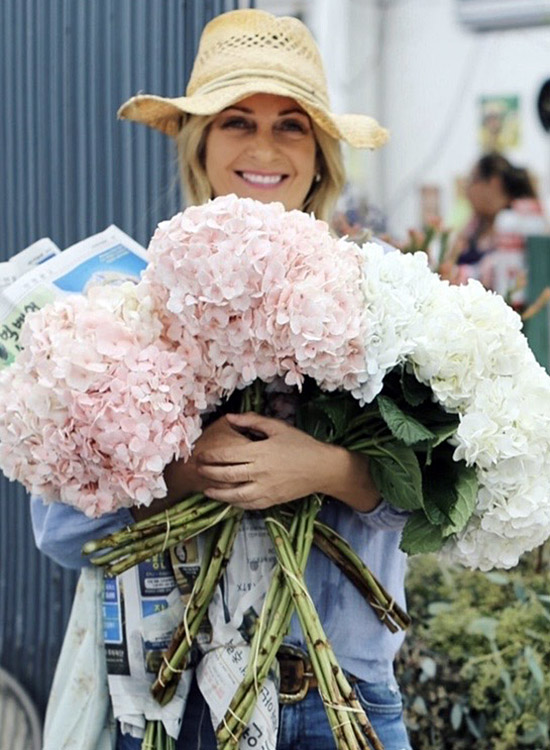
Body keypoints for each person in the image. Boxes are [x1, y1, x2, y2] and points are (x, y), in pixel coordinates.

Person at [32, 9, 412, 750]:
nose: (264, 147)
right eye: (237, 120)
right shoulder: (125, 305)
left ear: (320, 155)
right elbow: (62, 530)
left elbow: (438, 507)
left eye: (292, 125)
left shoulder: (382, 299)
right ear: (199, 143)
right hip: (182, 707)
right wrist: (189, 468)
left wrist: (327, 468)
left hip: (345, 703)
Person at [440, 153, 545, 301]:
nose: (467, 189)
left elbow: (504, 276)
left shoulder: (519, 220)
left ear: (493, 183)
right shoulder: (475, 223)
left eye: (472, 180)